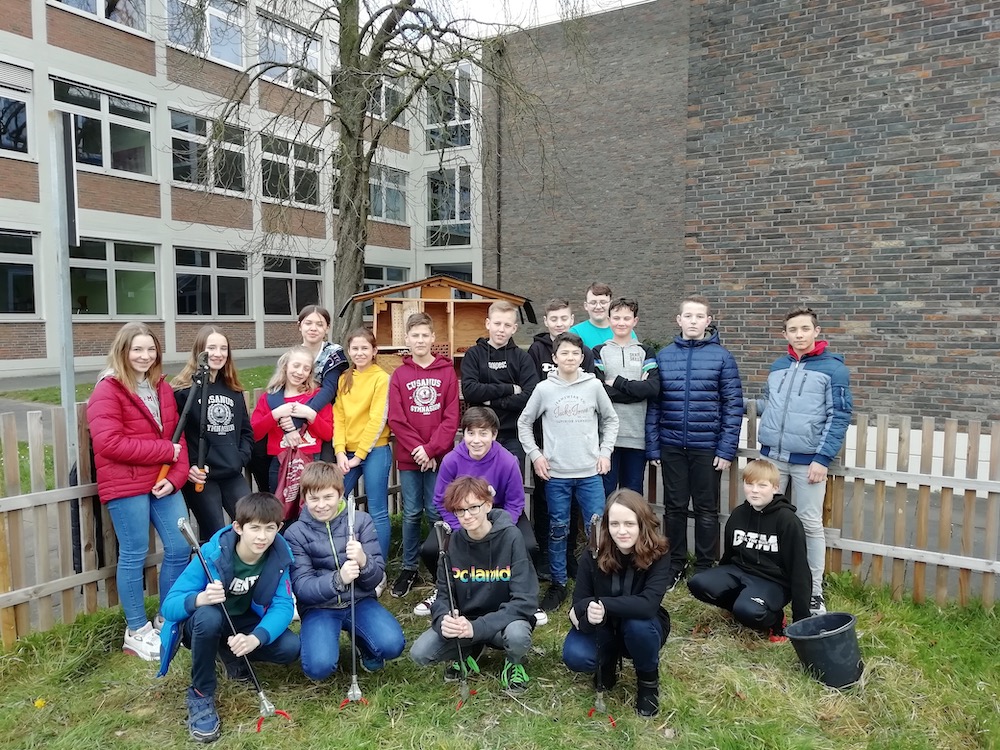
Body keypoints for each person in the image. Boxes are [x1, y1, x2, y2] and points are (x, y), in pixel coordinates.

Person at [158, 492, 300, 744]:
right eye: (254, 528)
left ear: (279, 528)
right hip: (206, 621)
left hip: (242, 621)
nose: (262, 536)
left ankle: (230, 654)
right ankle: (201, 694)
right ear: (238, 527)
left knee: (290, 647)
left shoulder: (278, 556)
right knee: (209, 618)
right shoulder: (211, 553)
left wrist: (255, 638)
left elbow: (283, 606)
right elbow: (169, 607)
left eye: (269, 528)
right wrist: (199, 598)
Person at [87, 322, 190, 661]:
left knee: (179, 546)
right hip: (125, 482)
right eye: (137, 350)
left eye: (150, 349)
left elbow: (177, 437)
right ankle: (136, 631)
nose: (145, 356)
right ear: (123, 351)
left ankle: (165, 617)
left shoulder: (160, 386)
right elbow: (108, 443)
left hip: (162, 480)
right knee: (134, 553)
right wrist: (164, 452)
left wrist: (176, 478)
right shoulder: (108, 389)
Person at [756, 306, 853, 616]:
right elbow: (769, 404)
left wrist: (822, 458)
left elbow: (839, 415)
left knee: (809, 525)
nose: (799, 335)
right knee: (765, 519)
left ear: (816, 331)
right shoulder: (778, 366)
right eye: (793, 330)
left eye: (805, 329)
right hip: (772, 458)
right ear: (785, 334)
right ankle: (768, 581)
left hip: (808, 461)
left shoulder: (834, 370)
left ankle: (813, 592)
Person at [646, 295, 744, 590]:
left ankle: (704, 566)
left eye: (699, 316)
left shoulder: (722, 358)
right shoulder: (664, 356)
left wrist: (726, 448)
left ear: (708, 321)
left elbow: (733, 406)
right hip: (672, 444)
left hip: (707, 447)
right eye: (687, 316)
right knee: (674, 507)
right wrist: (654, 445)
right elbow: (655, 405)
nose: (693, 321)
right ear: (679, 320)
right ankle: (675, 563)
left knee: (706, 508)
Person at [517, 331, 619, 612]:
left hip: (589, 472)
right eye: (564, 353)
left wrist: (605, 452)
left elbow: (611, 420)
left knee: (597, 528)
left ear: (582, 357)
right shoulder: (544, 389)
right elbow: (524, 423)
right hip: (557, 475)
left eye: (575, 353)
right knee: (558, 529)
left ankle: (599, 581)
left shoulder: (593, 386)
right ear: (555, 357)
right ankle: (558, 583)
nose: (570, 358)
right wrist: (536, 455)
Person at [412, 407, 542, 624]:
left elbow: (515, 502)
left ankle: (523, 596)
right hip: (462, 515)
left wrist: (500, 530)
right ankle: (446, 591)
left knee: (528, 545)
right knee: (431, 549)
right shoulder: (452, 460)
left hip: (499, 515)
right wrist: (461, 526)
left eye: (483, 433)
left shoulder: (507, 460)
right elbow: (441, 500)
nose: (476, 440)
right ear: (463, 434)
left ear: (494, 435)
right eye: (471, 433)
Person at [409, 476, 538, 692]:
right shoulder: (451, 544)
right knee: (420, 653)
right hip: (466, 623)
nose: (467, 516)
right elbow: (443, 595)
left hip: (504, 622)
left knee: (517, 635)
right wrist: (443, 619)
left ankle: (514, 663)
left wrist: (477, 628)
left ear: (487, 505)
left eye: (473, 507)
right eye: (460, 510)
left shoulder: (512, 537)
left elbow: (525, 601)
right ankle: (471, 651)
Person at [283, 462, 405, 681]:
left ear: (340, 493)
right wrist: (338, 579)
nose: (321, 505)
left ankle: (364, 644)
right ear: (304, 498)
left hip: (359, 601)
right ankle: (319, 641)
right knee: (318, 668)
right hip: (319, 607)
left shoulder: (360, 521)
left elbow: (376, 578)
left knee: (392, 645)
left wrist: (364, 561)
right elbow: (302, 587)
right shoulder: (295, 533)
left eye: (328, 497)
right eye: (314, 498)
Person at [562, 489, 671, 718]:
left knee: (638, 625)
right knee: (576, 654)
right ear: (607, 525)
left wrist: (600, 603)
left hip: (643, 624)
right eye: (615, 524)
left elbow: (648, 605)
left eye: (629, 524)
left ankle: (648, 683)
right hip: (603, 626)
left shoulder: (658, 553)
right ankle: (607, 662)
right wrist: (588, 612)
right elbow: (579, 603)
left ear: (642, 523)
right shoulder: (594, 553)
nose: (621, 531)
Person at [687, 459, 812, 638]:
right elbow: (729, 555)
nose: (754, 490)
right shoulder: (739, 514)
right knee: (698, 583)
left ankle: (775, 620)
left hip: (773, 581)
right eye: (749, 484)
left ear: (775, 488)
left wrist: (802, 619)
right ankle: (741, 608)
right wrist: (719, 582)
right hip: (740, 571)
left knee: (749, 611)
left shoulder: (788, 521)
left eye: (762, 485)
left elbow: (800, 570)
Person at [387, 312, 460, 598]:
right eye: (414, 335)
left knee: (435, 510)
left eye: (424, 335)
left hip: (437, 457)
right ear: (407, 339)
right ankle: (409, 568)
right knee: (411, 512)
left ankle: (441, 563)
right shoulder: (400, 375)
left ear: (433, 338)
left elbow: (451, 417)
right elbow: (397, 418)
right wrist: (420, 450)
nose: (420, 340)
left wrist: (431, 450)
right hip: (410, 457)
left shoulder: (447, 372)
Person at [527, 298, 594, 580]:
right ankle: (544, 555)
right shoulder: (536, 350)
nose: (559, 323)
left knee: (572, 503)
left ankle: (568, 556)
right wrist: (538, 447)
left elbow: (590, 391)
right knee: (544, 500)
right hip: (545, 442)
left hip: (575, 443)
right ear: (546, 321)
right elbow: (532, 393)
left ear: (572, 319)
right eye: (553, 319)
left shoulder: (582, 351)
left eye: (563, 318)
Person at [172, 325, 254, 543]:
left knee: (252, 523)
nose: (218, 354)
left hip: (231, 472)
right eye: (211, 348)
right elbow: (176, 436)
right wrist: (189, 466)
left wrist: (239, 458)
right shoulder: (184, 392)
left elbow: (246, 432)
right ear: (199, 351)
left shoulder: (234, 390)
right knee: (215, 534)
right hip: (202, 477)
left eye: (223, 348)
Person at [334, 328, 393, 561]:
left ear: (374, 351)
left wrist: (358, 456)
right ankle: (340, 558)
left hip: (375, 450)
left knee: (377, 510)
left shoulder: (381, 378)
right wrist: (340, 451)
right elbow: (338, 416)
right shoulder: (344, 378)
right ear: (349, 351)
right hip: (347, 452)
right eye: (355, 348)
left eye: (365, 348)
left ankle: (379, 565)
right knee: (334, 500)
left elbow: (377, 419)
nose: (360, 353)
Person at [460, 299, 538, 467]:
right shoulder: (474, 355)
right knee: (479, 482)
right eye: (497, 323)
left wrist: (491, 401)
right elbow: (470, 391)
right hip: (480, 435)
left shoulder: (522, 358)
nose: (501, 329)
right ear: (488, 323)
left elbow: (530, 397)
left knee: (510, 482)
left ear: (514, 328)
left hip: (513, 436)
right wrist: (509, 389)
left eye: (507, 325)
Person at [593, 298, 659, 496]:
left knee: (632, 494)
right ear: (609, 320)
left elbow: (653, 388)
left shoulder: (645, 351)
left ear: (635, 321)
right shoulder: (599, 351)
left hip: (637, 437)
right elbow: (599, 391)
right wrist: (637, 390)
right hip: (606, 439)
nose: (621, 322)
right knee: (605, 494)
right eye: (616, 318)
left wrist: (617, 382)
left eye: (626, 318)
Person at [250, 345, 333, 496]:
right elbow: (255, 433)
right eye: (296, 365)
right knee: (280, 506)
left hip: (311, 463)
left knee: (311, 505)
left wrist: (310, 415)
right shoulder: (269, 398)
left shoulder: (316, 397)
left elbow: (328, 434)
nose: (300, 372)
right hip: (280, 463)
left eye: (306, 368)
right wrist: (275, 414)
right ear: (285, 366)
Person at [296, 305, 350, 459]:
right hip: (297, 412)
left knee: (325, 464)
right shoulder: (293, 355)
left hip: (326, 415)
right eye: (308, 323)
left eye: (319, 324)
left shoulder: (333, 353)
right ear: (300, 326)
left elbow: (329, 389)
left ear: (327, 328)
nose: (313, 328)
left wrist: (306, 412)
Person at [569, 282, 637, 350]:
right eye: (593, 303)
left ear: (610, 304)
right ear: (586, 306)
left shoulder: (626, 331)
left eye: (603, 302)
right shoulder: (575, 333)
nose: (598, 307)